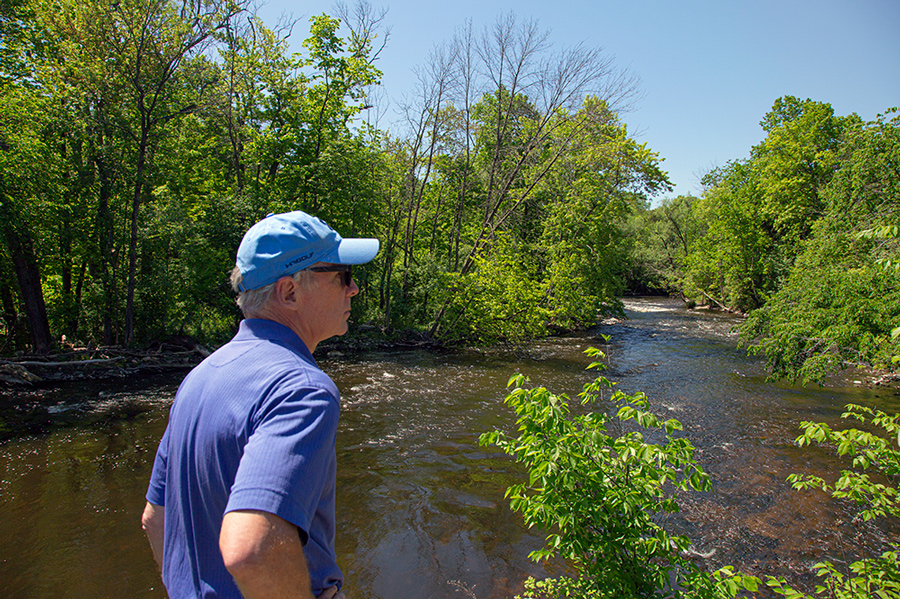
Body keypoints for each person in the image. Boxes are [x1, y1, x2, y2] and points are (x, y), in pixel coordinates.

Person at [141, 211, 379, 599]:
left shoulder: (198, 378)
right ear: (289, 292)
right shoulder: (302, 390)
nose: (353, 289)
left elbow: (155, 518)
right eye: (342, 276)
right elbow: (251, 551)